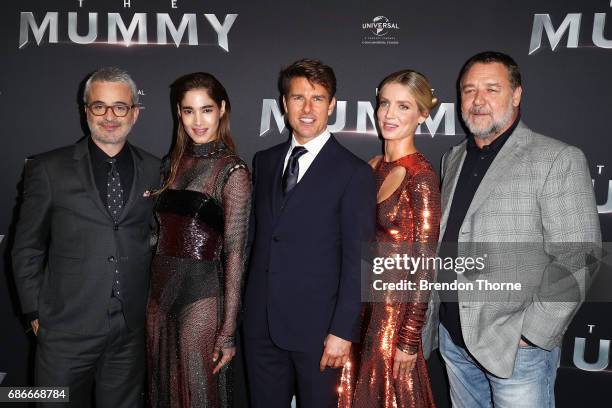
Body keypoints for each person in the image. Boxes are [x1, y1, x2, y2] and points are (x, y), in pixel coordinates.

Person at [422, 51, 601, 407]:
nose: (478, 100)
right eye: (469, 90)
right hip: (454, 343)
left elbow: (580, 255)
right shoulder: (453, 157)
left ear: (516, 94)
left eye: (492, 89)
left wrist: (532, 334)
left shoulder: (556, 158)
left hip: (515, 350)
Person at [11, 67, 161, 407]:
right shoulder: (47, 169)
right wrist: (35, 313)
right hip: (64, 329)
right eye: (99, 106)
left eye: (120, 107)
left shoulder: (155, 169)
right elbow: (26, 247)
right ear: (86, 111)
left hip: (129, 330)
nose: (110, 116)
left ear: (135, 113)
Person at [242, 59, 376, 408]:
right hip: (261, 326)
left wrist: (343, 331)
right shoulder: (265, 161)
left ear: (332, 105)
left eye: (317, 98)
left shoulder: (353, 173)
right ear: (284, 104)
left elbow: (359, 261)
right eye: (298, 98)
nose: (307, 108)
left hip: (320, 332)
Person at [146, 72, 251, 407]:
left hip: (201, 297)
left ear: (221, 109)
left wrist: (228, 329)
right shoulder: (170, 164)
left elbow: (235, 254)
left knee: (196, 393)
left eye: (206, 109)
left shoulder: (232, 172)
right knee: (162, 390)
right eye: (189, 110)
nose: (198, 120)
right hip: (158, 298)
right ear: (179, 112)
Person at [338, 70, 440, 408]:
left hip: (392, 317)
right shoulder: (373, 166)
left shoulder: (421, 177)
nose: (389, 115)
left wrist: (409, 338)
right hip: (360, 308)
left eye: (403, 106)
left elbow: (425, 264)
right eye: (384, 104)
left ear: (422, 114)